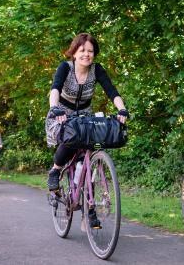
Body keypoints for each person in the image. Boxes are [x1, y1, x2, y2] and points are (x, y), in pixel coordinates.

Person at [45, 33, 129, 229]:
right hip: (62, 113)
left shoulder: (96, 70)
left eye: (90, 51)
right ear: (74, 52)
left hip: (84, 115)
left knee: (87, 158)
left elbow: (112, 91)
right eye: (82, 50)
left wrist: (121, 109)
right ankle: (55, 171)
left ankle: (87, 207)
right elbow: (55, 89)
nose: (86, 54)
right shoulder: (65, 67)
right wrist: (54, 107)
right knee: (70, 138)